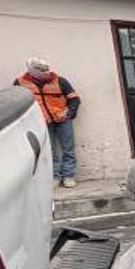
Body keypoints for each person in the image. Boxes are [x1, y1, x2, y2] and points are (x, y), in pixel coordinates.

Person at [14, 57, 81, 187]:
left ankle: (69, 176)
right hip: (42, 121)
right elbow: (17, 103)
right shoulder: (20, 83)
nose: (46, 74)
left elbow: (75, 99)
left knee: (68, 149)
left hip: (63, 119)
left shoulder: (60, 81)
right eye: (42, 72)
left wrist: (68, 113)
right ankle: (55, 176)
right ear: (32, 72)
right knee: (50, 151)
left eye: (47, 71)